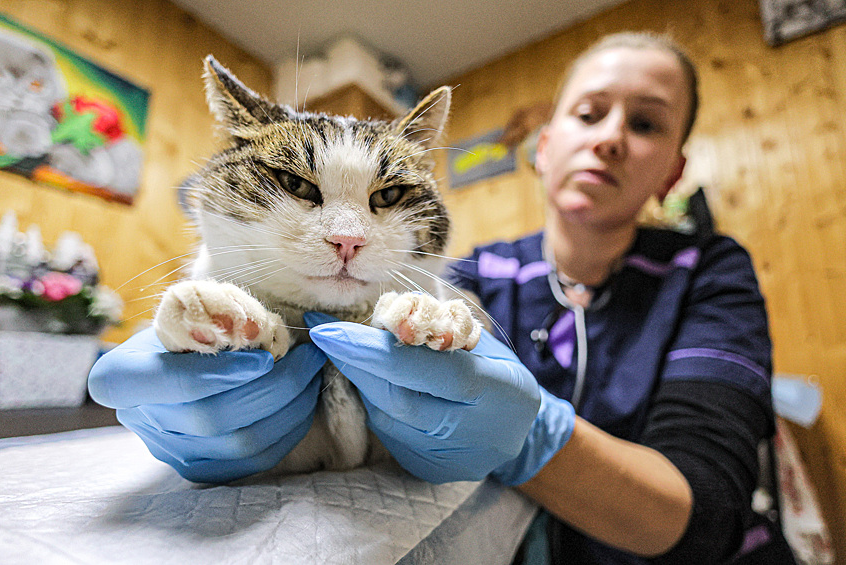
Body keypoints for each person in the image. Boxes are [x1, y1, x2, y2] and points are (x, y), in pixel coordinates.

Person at [88, 32, 783, 563]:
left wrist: (531, 436)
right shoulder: (480, 273)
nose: (609, 139)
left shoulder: (709, 271)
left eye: (647, 124)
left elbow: (706, 512)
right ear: (543, 145)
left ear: (675, 170)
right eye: (590, 112)